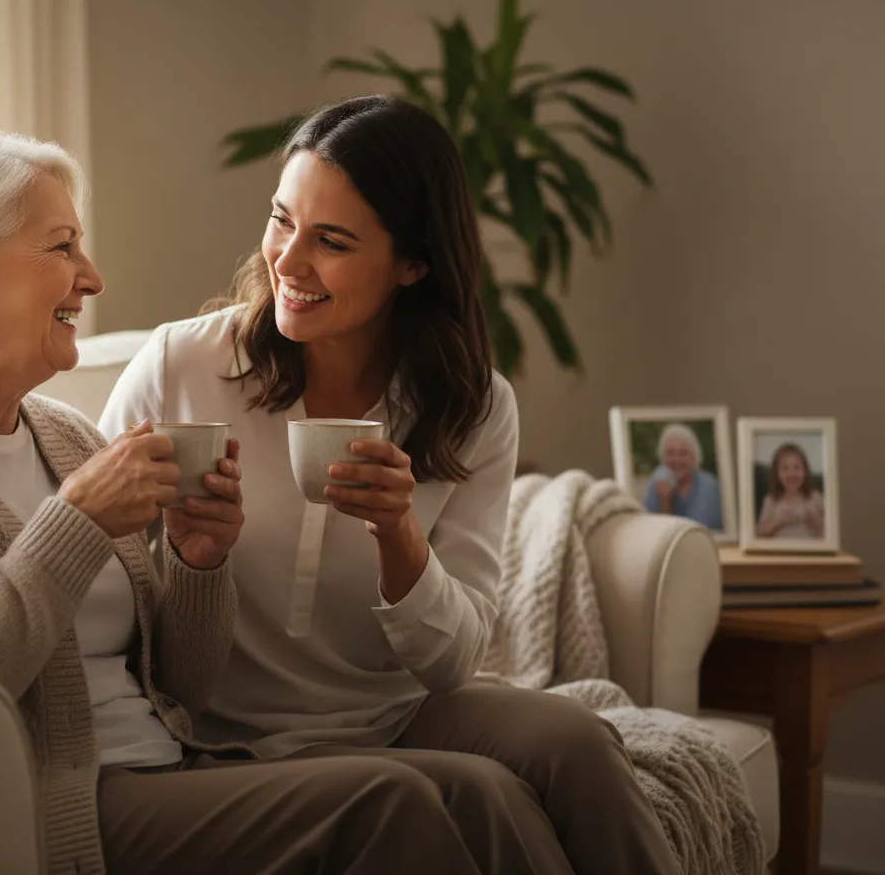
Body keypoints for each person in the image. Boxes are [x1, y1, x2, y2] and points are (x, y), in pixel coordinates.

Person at [0, 129, 508, 875]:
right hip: (59, 800)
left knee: (473, 791)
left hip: (175, 765)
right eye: (61, 249)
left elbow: (177, 689)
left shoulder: (63, 435)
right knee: (392, 800)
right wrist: (75, 526)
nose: (92, 278)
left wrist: (197, 562)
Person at [101, 95, 679, 874]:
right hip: (222, 731)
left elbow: (453, 662)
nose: (289, 261)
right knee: (485, 794)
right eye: (281, 221)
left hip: (394, 715)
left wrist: (398, 537)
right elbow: (95, 580)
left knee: (578, 740)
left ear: (414, 263)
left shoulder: (469, 405)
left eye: (331, 241)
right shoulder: (182, 367)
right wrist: (190, 555)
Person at [642, 423, 723, 530]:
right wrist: (665, 501)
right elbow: (656, 535)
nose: (676, 459)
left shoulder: (710, 486)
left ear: (694, 458)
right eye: (670, 453)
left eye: (683, 453)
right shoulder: (654, 487)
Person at [756, 442, 825, 538]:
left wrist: (817, 524)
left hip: (808, 550)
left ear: (805, 470)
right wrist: (778, 521)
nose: (792, 473)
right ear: (777, 474)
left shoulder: (814, 498)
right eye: (785, 468)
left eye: (797, 467)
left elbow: (829, 532)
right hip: (779, 551)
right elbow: (761, 532)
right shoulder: (771, 500)